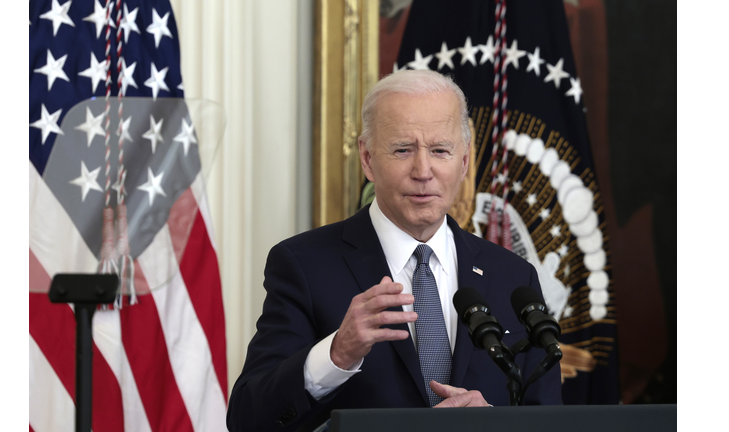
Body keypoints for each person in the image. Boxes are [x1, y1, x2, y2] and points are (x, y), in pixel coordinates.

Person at [226, 70, 561, 432]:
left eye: (440, 151)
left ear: (463, 162)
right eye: (403, 150)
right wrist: (336, 354)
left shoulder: (512, 276)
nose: (423, 171)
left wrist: (495, 422)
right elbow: (249, 419)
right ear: (368, 159)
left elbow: (549, 418)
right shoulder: (304, 265)